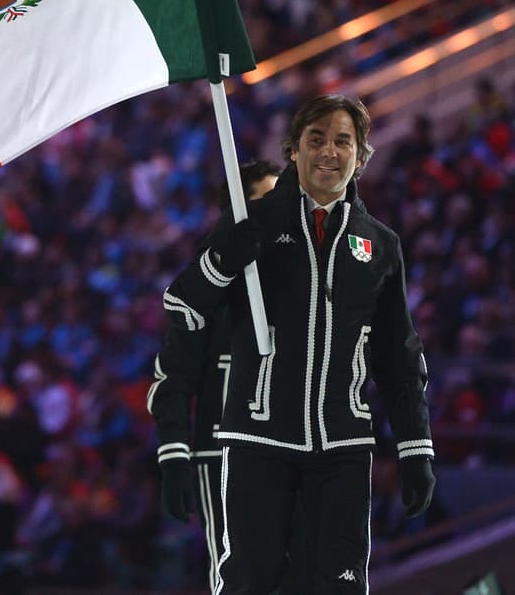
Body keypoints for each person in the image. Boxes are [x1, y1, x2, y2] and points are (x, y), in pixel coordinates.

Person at [161, 95, 434, 593]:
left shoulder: (380, 244)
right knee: (250, 582)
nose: (329, 151)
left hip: (343, 449)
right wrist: (221, 260)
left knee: (339, 586)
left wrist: (416, 447)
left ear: (361, 155)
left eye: (342, 141)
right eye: (316, 139)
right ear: (293, 150)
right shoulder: (254, 223)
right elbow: (184, 306)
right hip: (258, 443)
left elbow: (399, 356)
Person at [149, 159, 281, 592]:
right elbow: (171, 377)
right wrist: (174, 454)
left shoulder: (302, 273)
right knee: (237, 574)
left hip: (295, 443)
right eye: (266, 199)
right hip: (223, 451)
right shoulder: (204, 288)